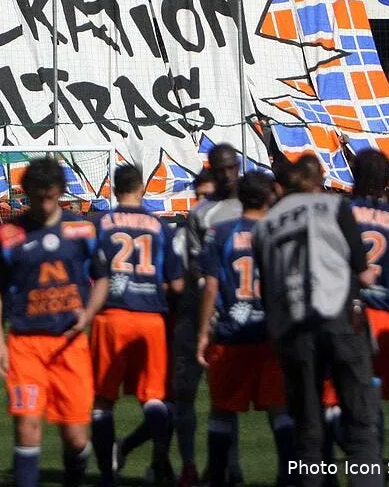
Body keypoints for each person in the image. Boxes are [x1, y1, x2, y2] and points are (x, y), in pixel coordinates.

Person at [253, 154, 382, 487]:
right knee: (360, 424)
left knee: (308, 432)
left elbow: (266, 289)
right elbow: (360, 266)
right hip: (339, 314)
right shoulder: (333, 206)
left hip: (294, 326)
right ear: (316, 180)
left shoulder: (265, 224)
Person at [0, 157, 111, 487]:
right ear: (26, 194)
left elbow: (103, 278)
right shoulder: (9, 234)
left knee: (76, 437)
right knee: (27, 425)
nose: (44, 203)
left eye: (51, 196)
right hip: (25, 344)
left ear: (61, 193)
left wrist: (88, 312)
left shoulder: (81, 229)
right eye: (37, 197)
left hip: (70, 344)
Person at [321, 150, 389, 468]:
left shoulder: (342, 212)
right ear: (388, 180)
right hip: (384, 315)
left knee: (333, 395)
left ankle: (343, 455)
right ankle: (370, 460)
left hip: (344, 312)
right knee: (371, 397)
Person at [197, 171, 294, 487]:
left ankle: (218, 475)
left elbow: (210, 285)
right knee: (280, 410)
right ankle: (288, 475)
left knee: (222, 411)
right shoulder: (280, 232)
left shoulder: (220, 231)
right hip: (271, 335)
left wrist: (202, 332)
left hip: (230, 333)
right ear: (269, 197)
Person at [90, 165, 185, 487]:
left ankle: (106, 475)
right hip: (150, 319)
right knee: (155, 398)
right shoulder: (159, 227)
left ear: (115, 189)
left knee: (103, 401)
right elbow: (177, 284)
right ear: (142, 188)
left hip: (110, 317)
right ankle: (160, 462)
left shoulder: (101, 224)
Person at [170, 143, 243, 487]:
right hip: (199, 315)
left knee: (228, 401)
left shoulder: (253, 206)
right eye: (221, 169)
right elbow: (195, 269)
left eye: (232, 168)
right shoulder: (201, 215)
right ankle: (187, 465)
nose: (227, 175)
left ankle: (233, 469)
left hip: (238, 321)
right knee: (183, 394)